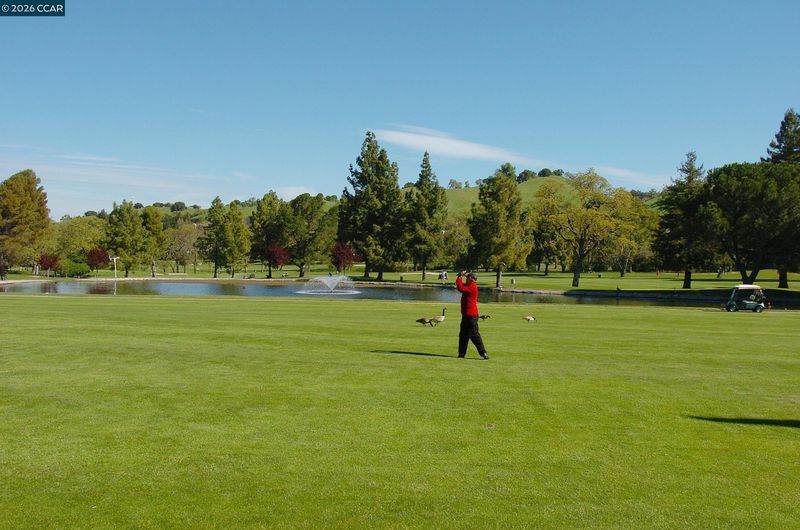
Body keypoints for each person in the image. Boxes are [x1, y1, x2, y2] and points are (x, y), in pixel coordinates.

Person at [455, 271, 489, 360]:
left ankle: (483, 352)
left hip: (471, 316)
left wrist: (459, 277)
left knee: (474, 335)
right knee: (463, 335)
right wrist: (460, 277)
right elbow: (460, 286)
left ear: (470, 278)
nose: (466, 278)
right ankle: (461, 354)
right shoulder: (469, 285)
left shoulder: (472, 287)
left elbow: (461, 288)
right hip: (466, 315)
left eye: (467, 277)